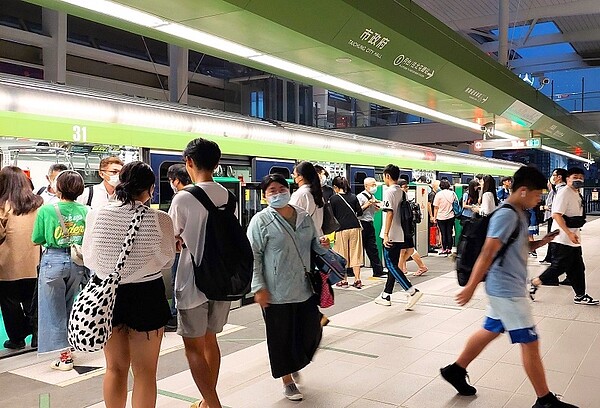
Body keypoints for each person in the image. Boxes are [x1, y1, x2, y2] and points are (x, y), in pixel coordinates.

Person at [440, 166, 578, 408]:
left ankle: (455, 369)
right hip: (507, 291)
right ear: (523, 191)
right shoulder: (506, 214)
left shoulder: (518, 212)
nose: (538, 201)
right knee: (530, 342)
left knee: (491, 329)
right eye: (537, 195)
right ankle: (544, 400)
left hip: (506, 287)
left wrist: (541, 242)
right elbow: (488, 252)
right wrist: (471, 287)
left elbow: (517, 246)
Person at [82, 162, 175, 408]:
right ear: (150, 188)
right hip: (147, 295)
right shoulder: (160, 219)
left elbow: (89, 256)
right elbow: (167, 260)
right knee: (145, 373)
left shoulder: (97, 214)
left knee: (114, 368)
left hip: (108, 296)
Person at [248, 174, 328, 402]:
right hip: (276, 292)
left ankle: (293, 363)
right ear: (264, 196)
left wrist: (323, 245)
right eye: (271, 190)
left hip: (304, 287)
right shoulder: (260, 221)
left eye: (281, 188)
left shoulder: (303, 216)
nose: (277, 193)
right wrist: (258, 287)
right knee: (280, 338)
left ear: (289, 189)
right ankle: (288, 381)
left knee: (311, 332)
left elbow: (314, 244)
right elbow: (254, 255)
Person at [168, 138, 232, 408]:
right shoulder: (227, 194)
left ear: (189, 163)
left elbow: (170, 237)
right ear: (216, 164)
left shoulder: (183, 197)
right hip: (221, 278)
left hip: (192, 279)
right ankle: (207, 402)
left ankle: (213, 404)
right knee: (211, 341)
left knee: (193, 347)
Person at [32, 170, 87, 370]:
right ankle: (71, 348)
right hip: (77, 262)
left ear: (58, 188)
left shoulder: (46, 210)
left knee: (52, 309)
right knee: (70, 306)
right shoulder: (86, 211)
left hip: (53, 260)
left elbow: (36, 239)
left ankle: (64, 357)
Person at [529, 167, 599, 305]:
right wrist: (569, 233)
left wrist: (573, 234)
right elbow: (556, 214)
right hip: (562, 238)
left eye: (580, 177)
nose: (578, 179)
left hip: (573, 238)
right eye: (575, 176)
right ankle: (534, 282)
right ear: (567, 179)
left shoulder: (576, 193)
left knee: (578, 268)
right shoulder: (564, 192)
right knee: (558, 267)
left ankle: (580, 295)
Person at [0, 167, 43, 350]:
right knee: (33, 300)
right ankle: (37, 336)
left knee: (10, 302)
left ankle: (17, 339)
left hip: (8, 263)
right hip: (35, 261)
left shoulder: (2, 205)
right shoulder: (38, 203)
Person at [375, 164, 423, 309]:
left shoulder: (389, 191)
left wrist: (385, 234)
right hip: (400, 233)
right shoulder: (401, 192)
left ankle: (412, 291)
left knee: (390, 265)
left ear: (387, 176)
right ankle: (386, 295)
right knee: (393, 266)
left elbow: (390, 213)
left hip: (391, 234)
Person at [165, 163, 192, 332]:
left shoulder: (180, 198)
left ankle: (176, 316)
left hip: (180, 248)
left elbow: (172, 228)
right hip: (195, 248)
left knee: (178, 282)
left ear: (175, 181)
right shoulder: (199, 194)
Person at [329, 176, 364, 288]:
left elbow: (331, 216)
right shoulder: (353, 197)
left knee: (341, 254)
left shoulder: (334, 199)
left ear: (335, 187)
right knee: (355, 253)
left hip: (341, 229)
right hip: (355, 227)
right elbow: (359, 213)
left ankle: (343, 280)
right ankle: (357, 279)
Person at [356, 177, 386, 278]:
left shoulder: (372, 196)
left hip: (370, 223)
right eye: (372, 185)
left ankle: (378, 271)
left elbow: (374, 211)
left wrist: (377, 207)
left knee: (372, 248)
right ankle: (353, 271)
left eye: (375, 184)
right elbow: (357, 212)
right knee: (359, 249)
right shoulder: (360, 197)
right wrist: (367, 205)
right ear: (366, 186)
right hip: (362, 224)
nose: (374, 187)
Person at [539, 168, 567, 269]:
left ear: (559, 177)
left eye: (553, 175)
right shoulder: (558, 189)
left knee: (555, 241)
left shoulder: (561, 190)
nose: (552, 177)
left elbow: (556, 206)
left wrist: (546, 207)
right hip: (554, 218)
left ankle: (554, 265)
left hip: (556, 218)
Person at [398, 180, 428, 276]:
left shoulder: (401, 197)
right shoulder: (405, 197)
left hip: (404, 227)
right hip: (408, 226)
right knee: (405, 250)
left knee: (407, 250)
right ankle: (403, 269)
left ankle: (419, 267)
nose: (407, 189)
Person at [433, 180, 457, 255]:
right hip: (451, 216)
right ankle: (449, 249)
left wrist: (434, 217)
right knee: (449, 232)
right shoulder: (452, 193)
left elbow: (436, 207)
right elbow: (456, 203)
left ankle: (444, 249)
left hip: (440, 216)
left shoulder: (438, 194)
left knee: (443, 233)